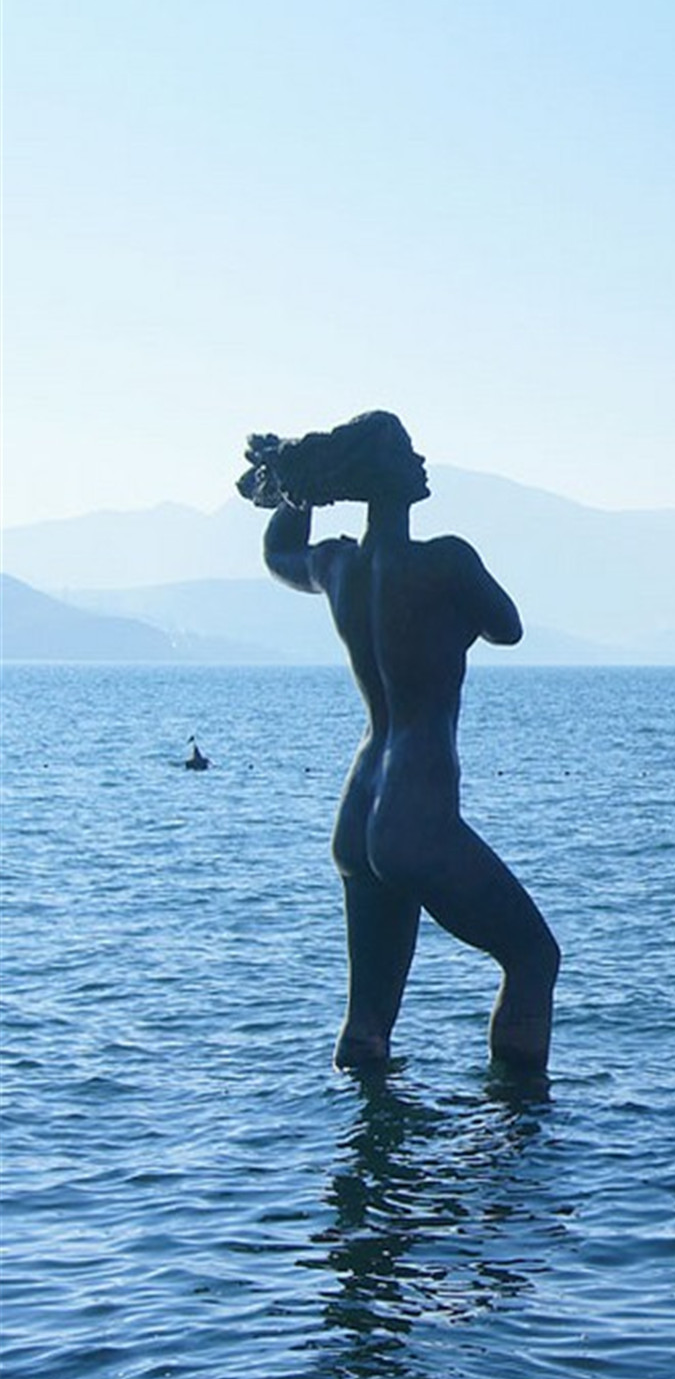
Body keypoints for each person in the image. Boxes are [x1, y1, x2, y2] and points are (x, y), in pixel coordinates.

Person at [238, 412, 560, 1073]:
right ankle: (520, 1135)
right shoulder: (444, 561)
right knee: (533, 957)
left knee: (366, 1022)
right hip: (416, 807)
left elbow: (276, 555)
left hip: (359, 809)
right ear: (382, 474)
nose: (421, 462)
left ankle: (365, 1160)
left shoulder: (336, 566)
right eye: (408, 452)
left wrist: (292, 495)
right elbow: (508, 628)